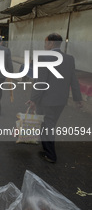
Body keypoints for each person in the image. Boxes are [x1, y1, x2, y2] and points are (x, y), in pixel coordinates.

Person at [27, 33, 82, 163]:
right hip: (61, 100)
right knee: (49, 124)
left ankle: (50, 155)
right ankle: (47, 149)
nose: (44, 45)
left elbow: (41, 82)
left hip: (46, 100)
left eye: (46, 43)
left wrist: (33, 99)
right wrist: (77, 98)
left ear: (51, 43)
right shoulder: (69, 59)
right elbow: (73, 80)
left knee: (47, 125)